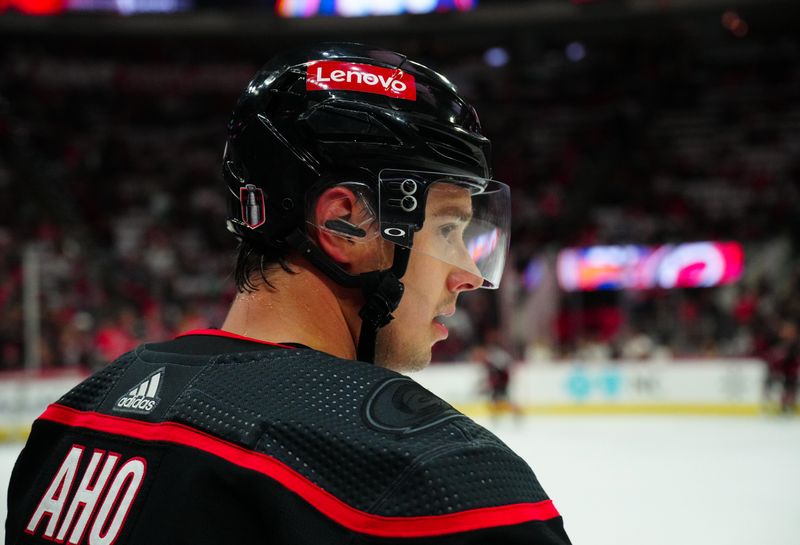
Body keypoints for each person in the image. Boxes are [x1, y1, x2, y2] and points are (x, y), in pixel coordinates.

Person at [6, 43, 572, 544]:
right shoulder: (435, 474)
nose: (468, 273)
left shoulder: (74, 419)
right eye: (448, 227)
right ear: (343, 224)